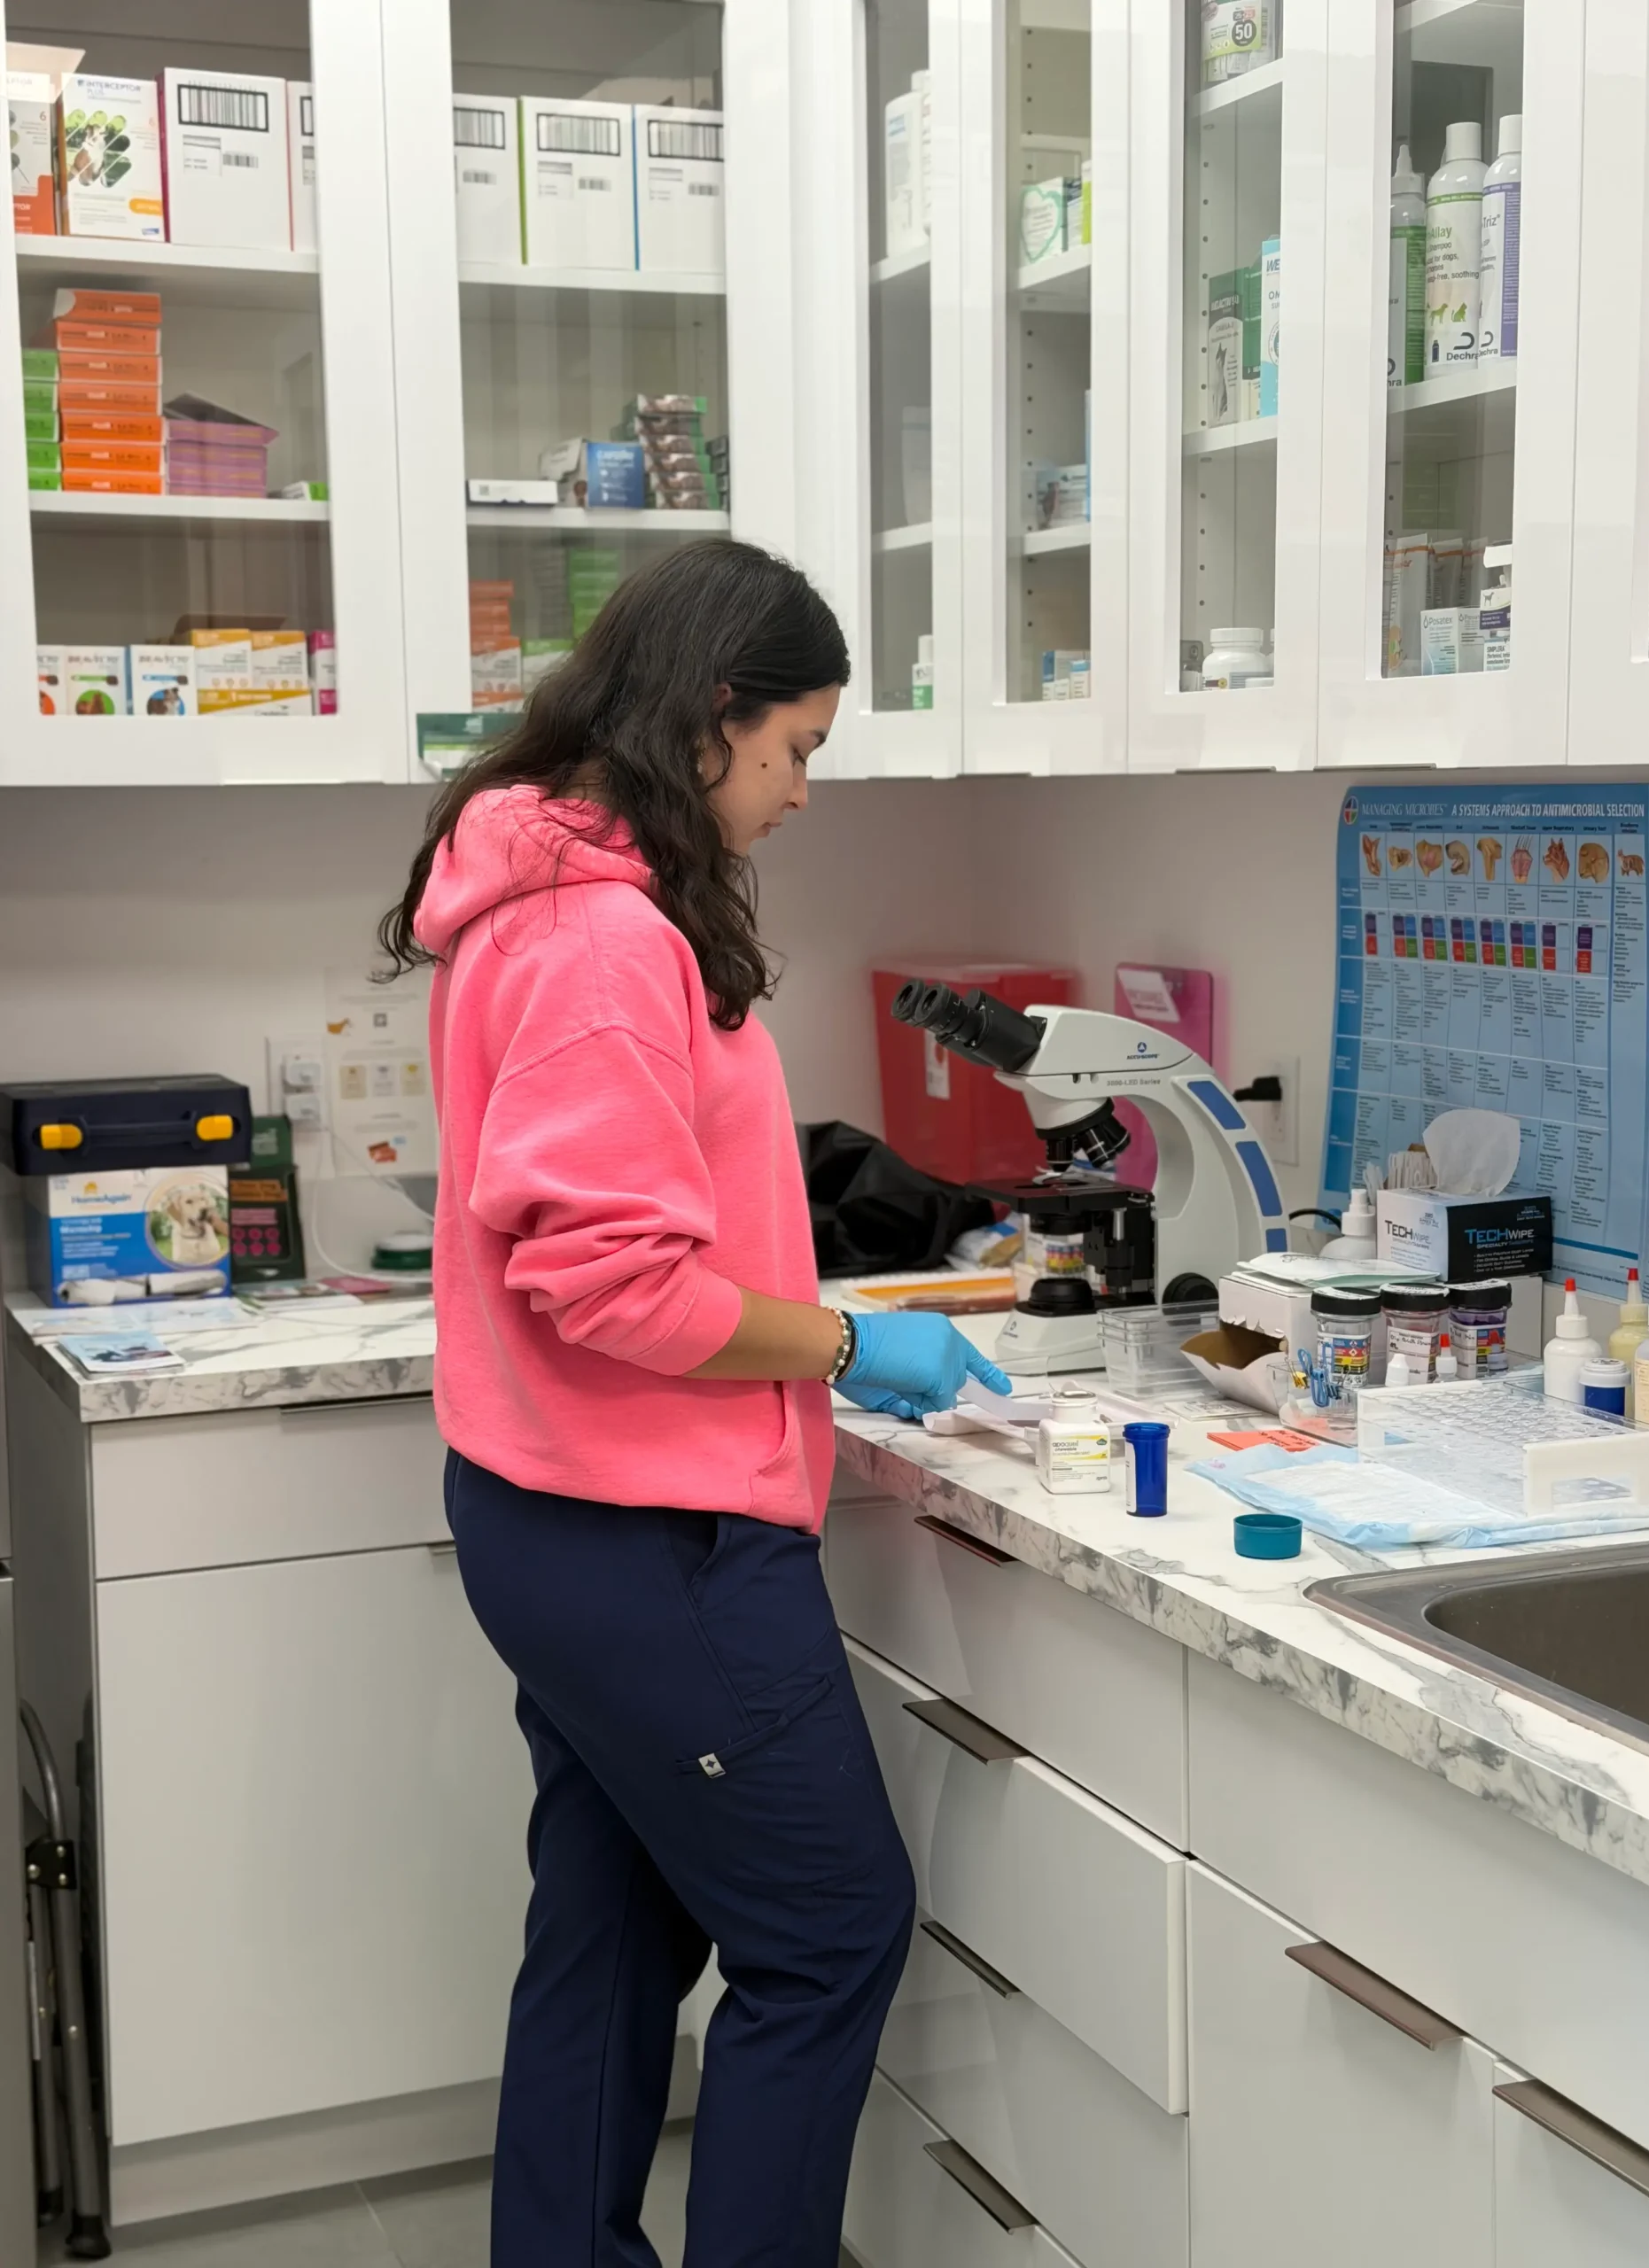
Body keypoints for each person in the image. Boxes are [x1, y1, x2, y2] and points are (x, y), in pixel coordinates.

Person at [379, 540, 1009, 2268]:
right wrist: (844, 1344)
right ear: (713, 714)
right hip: (650, 1535)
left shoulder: (551, 887)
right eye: (796, 747)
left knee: (611, 1931)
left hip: (557, 1514)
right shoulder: (597, 936)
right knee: (830, 1931)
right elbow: (612, 1286)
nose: (802, 791)